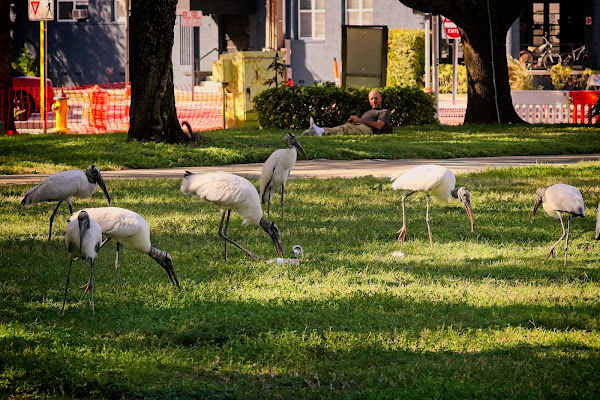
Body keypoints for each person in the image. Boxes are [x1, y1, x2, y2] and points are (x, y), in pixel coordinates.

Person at [302, 89, 392, 136]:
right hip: (359, 125)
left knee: (346, 129)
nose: (374, 101)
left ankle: (321, 131)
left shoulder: (384, 111)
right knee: (345, 127)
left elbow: (379, 125)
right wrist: (354, 121)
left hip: (368, 130)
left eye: (376, 98)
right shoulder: (368, 111)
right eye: (371, 99)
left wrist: (360, 121)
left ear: (381, 99)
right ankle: (317, 130)